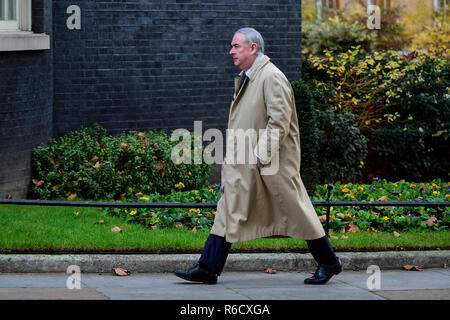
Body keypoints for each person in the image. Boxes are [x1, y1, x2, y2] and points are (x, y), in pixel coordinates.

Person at [173, 27, 342, 285]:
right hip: (246, 164)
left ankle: (329, 261)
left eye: (236, 46)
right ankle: (208, 268)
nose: (231, 51)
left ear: (253, 48)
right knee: (228, 209)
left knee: (296, 210)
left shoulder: (271, 77)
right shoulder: (249, 76)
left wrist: (262, 154)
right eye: (232, 46)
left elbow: (279, 120)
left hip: (270, 165)